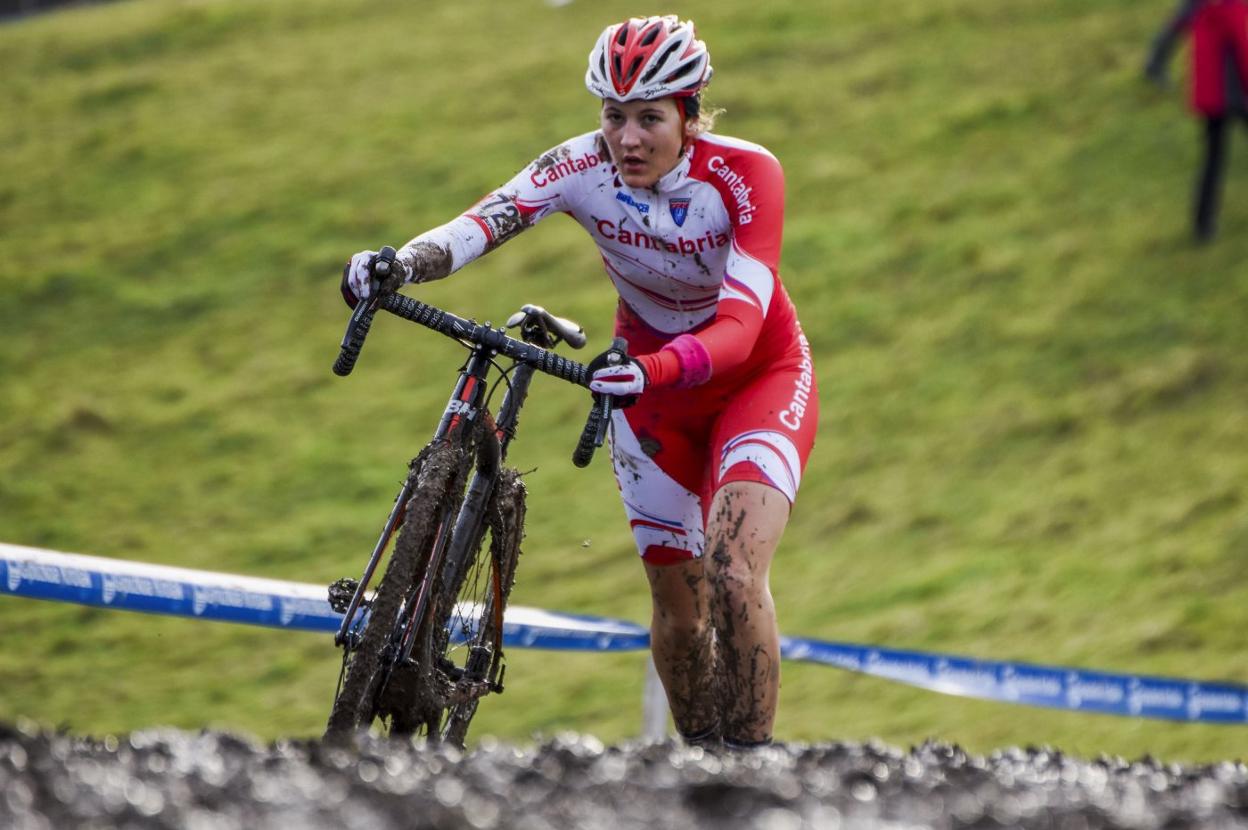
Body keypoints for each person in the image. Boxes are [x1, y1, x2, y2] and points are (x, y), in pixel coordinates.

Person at [342, 15, 818, 749]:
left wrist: (653, 367)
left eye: (650, 118)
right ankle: (701, 774)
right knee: (681, 612)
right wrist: (399, 263)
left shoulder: (746, 175)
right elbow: (481, 224)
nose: (628, 138)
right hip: (647, 394)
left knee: (729, 571)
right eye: (614, 116)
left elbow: (742, 327)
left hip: (753, 378)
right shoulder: (578, 166)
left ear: (689, 118)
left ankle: (754, 772)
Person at [1145, 0, 1248, 241]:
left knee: (1213, 158)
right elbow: (1242, 43)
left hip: (1213, 94)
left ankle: (1203, 225)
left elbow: (1175, 26)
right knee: (1214, 157)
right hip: (1238, 93)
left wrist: (1156, 63)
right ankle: (1203, 224)